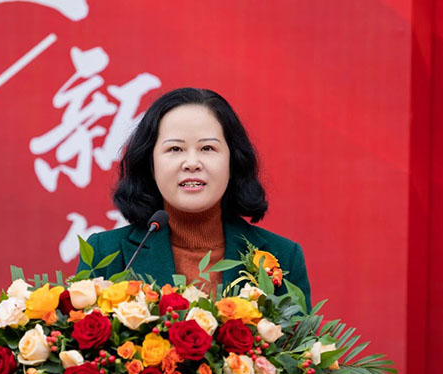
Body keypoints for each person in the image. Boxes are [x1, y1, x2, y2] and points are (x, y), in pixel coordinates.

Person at [76, 88, 311, 309]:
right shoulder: (105, 253)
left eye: (207, 148)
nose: (191, 163)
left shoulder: (283, 257)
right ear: (151, 164)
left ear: (233, 161)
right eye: (175, 149)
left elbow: (298, 338)